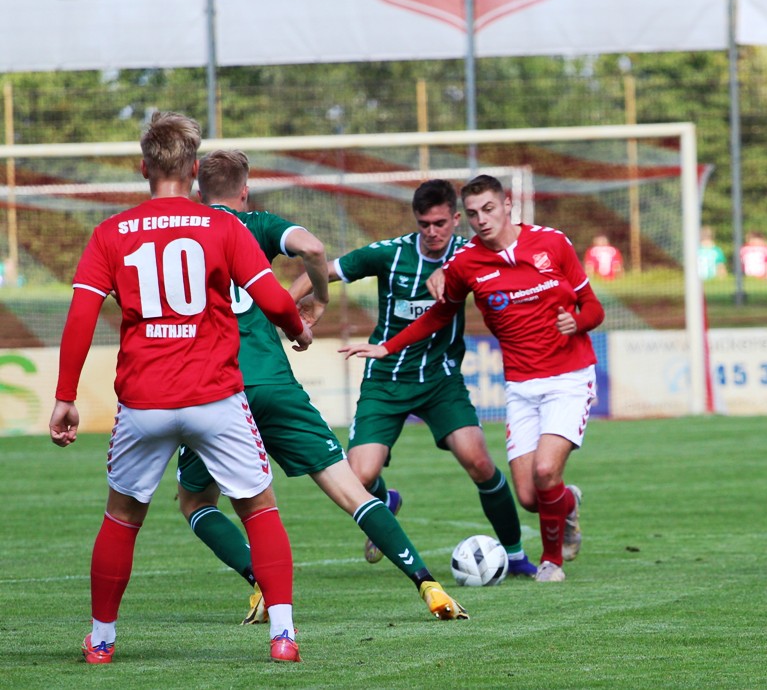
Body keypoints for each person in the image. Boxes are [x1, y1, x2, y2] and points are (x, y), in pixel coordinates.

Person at [48, 112, 313, 664]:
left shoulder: (110, 232)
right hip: (215, 397)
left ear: (144, 167)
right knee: (259, 507)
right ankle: (283, 637)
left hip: (145, 401)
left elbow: (80, 316)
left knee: (122, 516)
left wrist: (66, 395)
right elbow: (274, 301)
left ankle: (101, 642)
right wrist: (296, 329)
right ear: (194, 171)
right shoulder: (223, 227)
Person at [175, 153, 468, 623]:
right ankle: (428, 585)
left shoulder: (177, 229)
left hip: (215, 388)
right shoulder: (257, 223)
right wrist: (320, 300)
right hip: (274, 381)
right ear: (245, 191)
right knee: (353, 491)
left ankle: (260, 582)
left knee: (195, 501)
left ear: (196, 190)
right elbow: (312, 249)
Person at [340, 175, 605, 583]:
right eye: (476, 214)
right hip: (520, 386)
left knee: (544, 471)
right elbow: (439, 314)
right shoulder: (465, 263)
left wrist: (578, 321)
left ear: (508, 205)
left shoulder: (553, 243)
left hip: (568, 377)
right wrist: (388, 347)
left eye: (490, 209)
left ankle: (550, 562)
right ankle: (567, 505)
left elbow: (594, 309)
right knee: (531, 498)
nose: (483, 220)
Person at [289, 179, 537, 578]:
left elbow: (520, 265)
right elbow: (324, 268)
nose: (433, 232)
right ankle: (385, 500)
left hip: (441, 380)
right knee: (358, 476)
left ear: (456, 219)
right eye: (425, 223)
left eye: (441, 223)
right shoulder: (391, 253)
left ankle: (516, 553)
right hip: (386, 380)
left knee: (479, 462)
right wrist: (291, 307)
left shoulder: (468, 254)